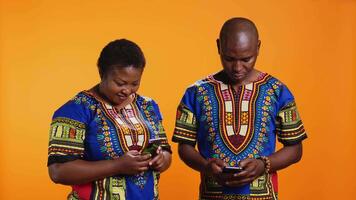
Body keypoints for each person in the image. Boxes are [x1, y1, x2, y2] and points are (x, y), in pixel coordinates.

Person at [172, 17, 307, 199]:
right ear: (218, 46)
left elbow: (295, 149)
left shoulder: (278, 91)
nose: (237, 67)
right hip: (213, 194)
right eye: (229, 58)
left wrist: (263, 164)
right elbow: (184, 147)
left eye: (246, 59)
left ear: (258, 47)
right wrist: (206, 166)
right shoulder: (196, 92)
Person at [48, 39, 172, 200]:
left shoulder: (147, 106)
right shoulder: (76, 110)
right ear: (102, 73)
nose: (127, 90)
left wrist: (162, 159)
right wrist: (117, 166)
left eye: (135, 83)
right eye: (120, 83)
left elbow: (165, 149)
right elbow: (58, 171)